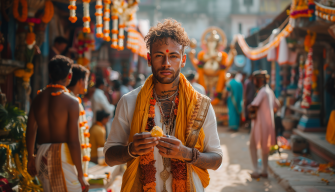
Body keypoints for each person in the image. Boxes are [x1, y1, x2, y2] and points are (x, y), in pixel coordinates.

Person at [104, 19, 222, 192]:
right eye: (159, 55)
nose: (166, 63)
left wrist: (185, 153)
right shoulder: (129, 101)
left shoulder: (200, 104)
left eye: (173, 56)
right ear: (149, 59)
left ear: (183, 60)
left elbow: (217, 159)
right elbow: (109, 157)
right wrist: (131, 150)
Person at [26, 55, 89, 192]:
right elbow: (73, 141)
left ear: (50, 74)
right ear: (70, 76)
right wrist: (80, 174)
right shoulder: (71, 102)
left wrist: (30, 157)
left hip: (41, 153)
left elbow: (30, 130)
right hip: (61, 156)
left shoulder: (37, 98)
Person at [248, 70, 280, 179]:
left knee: (252, 145)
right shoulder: (269, 91)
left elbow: (253, 105)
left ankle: (256, 170)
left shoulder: (262, 91)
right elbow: (277, 105)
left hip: (259, 124)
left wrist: (249, 107)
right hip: (268, 124)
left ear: (259, 80)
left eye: (255, 80)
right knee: (265, 147)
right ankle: (265, 170)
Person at [67, 64, 91, 176]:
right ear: (80, 81)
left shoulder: (74, 99)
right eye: (86, 80)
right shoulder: (70, 101)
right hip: (70, 162)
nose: (87, 84)